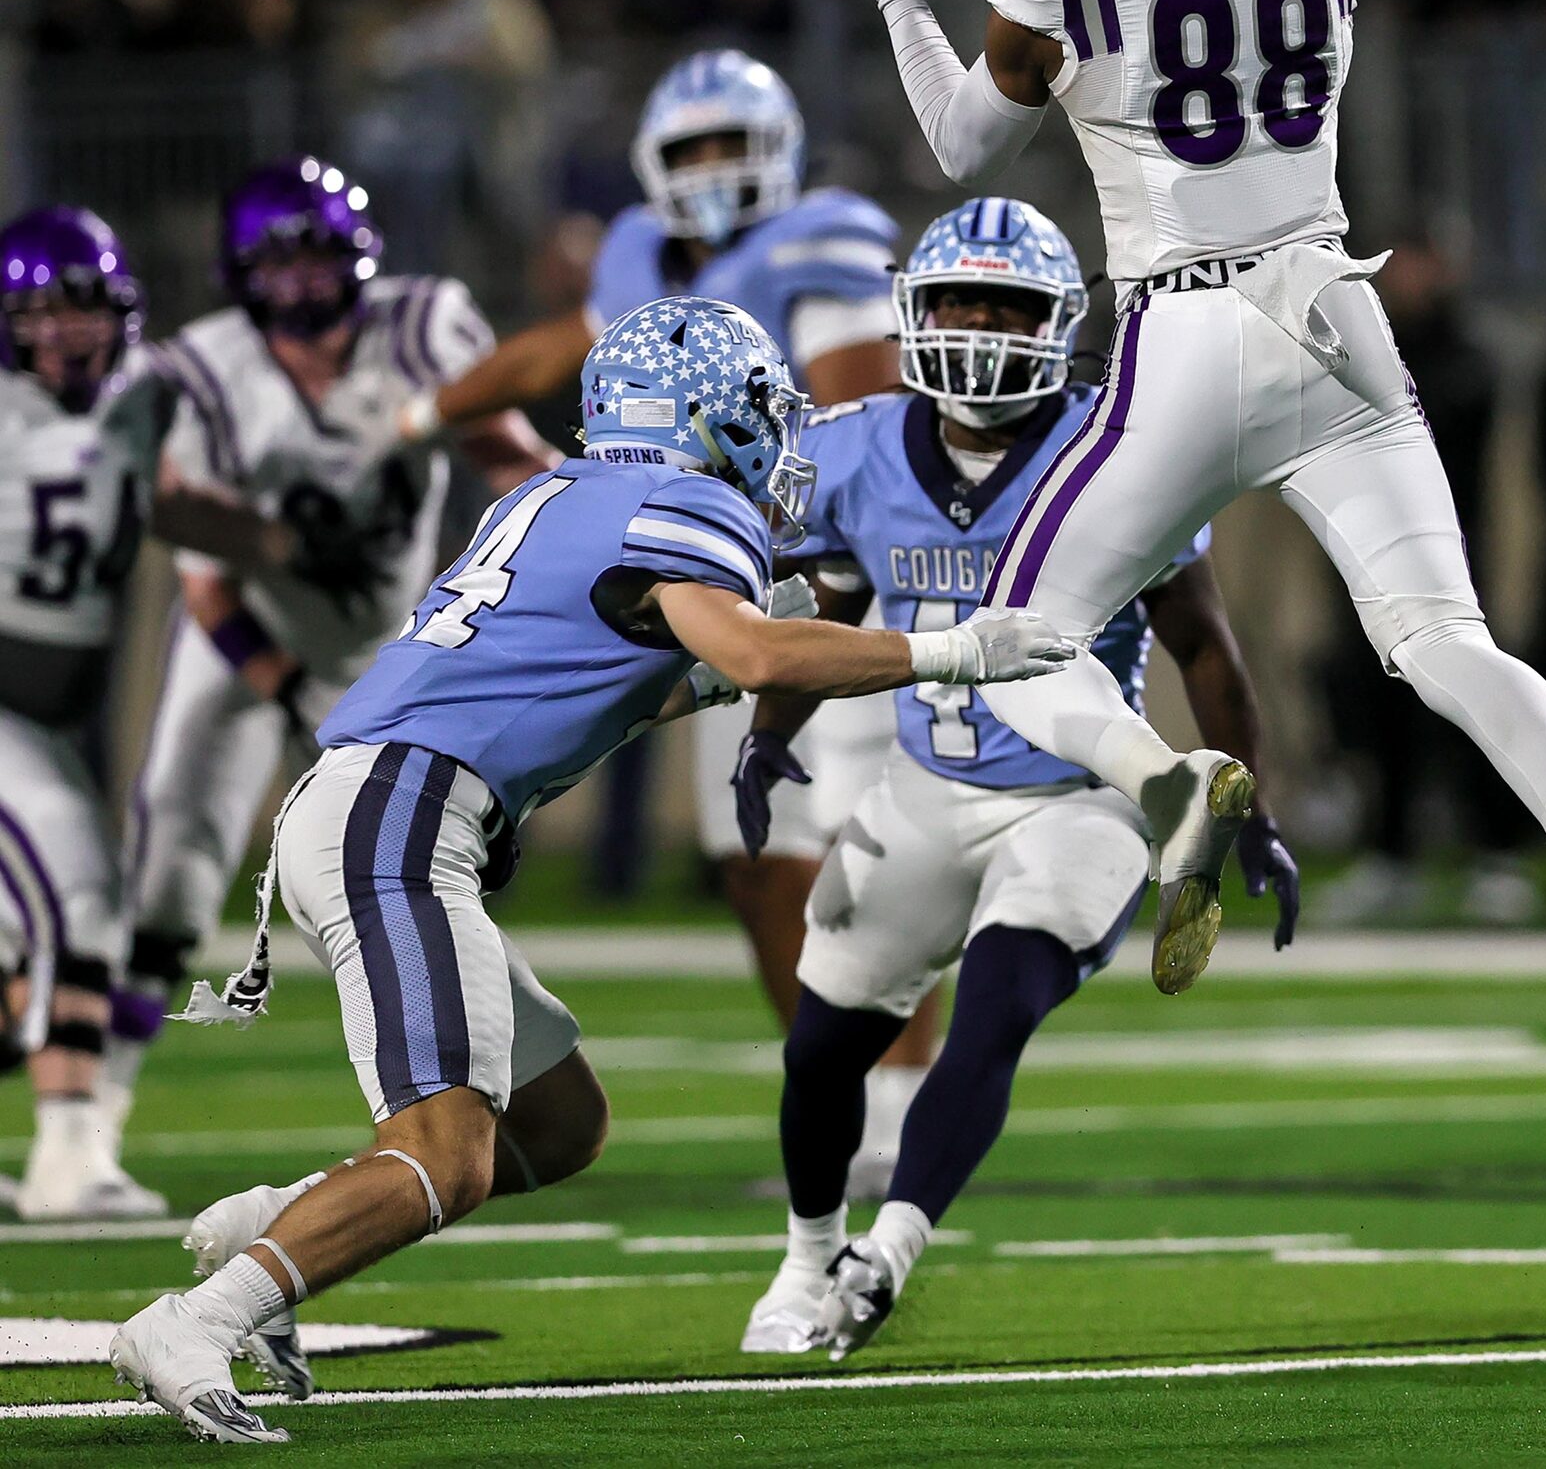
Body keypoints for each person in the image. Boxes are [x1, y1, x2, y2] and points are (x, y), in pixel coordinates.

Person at [858, 0, 1546, 1079]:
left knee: (1007, 641)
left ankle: (1169, 779)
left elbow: (961, 141)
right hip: (1333, 312)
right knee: (1441, 641)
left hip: (1180, 330)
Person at [107, 295, 1072, 1444]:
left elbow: (603, 680)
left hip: (385, 808)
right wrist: (952, 649)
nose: (775, 437)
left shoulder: (557, 495)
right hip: (403, 817)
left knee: (559, 1126)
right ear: (703, 419)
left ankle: (294, 1220)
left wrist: (731, 691)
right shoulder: (688, 501)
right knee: (450, 1160)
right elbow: (755, 649)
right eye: (758, 411)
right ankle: (196, 1319)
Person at [337, 49, 932, 1180]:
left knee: (869, 845)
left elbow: (857, 412)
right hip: (719, 577)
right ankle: (840, 1087)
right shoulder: (638, 260)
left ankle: (896, 1108)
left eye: (730, 145)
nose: (712, 171)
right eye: (691, 149)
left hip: (838, 572)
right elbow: (557, 351)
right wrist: (415, 417)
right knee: (756, 854)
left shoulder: (826, 237)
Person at [732, 197, 1297, 1356]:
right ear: (910, 312)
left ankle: (886, 1252)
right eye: (956, 302)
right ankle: (802, 1260)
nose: (979, 327)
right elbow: (831, 610)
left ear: (1059, 323)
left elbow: (1202, 646)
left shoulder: (1113, 451)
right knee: (819, 1045)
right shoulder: (849, 451)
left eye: (1006, 304)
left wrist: (1252, 804)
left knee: (995, 1003)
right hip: (922, 785)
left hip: (1077, 799)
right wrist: (766, 731)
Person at [105, 158, 554, 1159]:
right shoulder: (206, 372)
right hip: (242, 647)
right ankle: (85, 1123)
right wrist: (296, 692)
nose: (304, 285)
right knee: (171, 867)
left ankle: (485, 1095)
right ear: (241, 274)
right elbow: (209, 590)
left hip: (389, 653)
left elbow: (511, 459)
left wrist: (590, 514)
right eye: (281, 264)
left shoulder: (423, 327)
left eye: (319, 259)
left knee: (424, 873)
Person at [0, 205, 343, 1220]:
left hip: (61, 704)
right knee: (82, 894)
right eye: (41, 312)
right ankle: (67, 1155)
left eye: (86, 309)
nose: (65, 331)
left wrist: (273, 540)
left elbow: (165, 501)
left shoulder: (143, 398)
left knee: (23, 954)